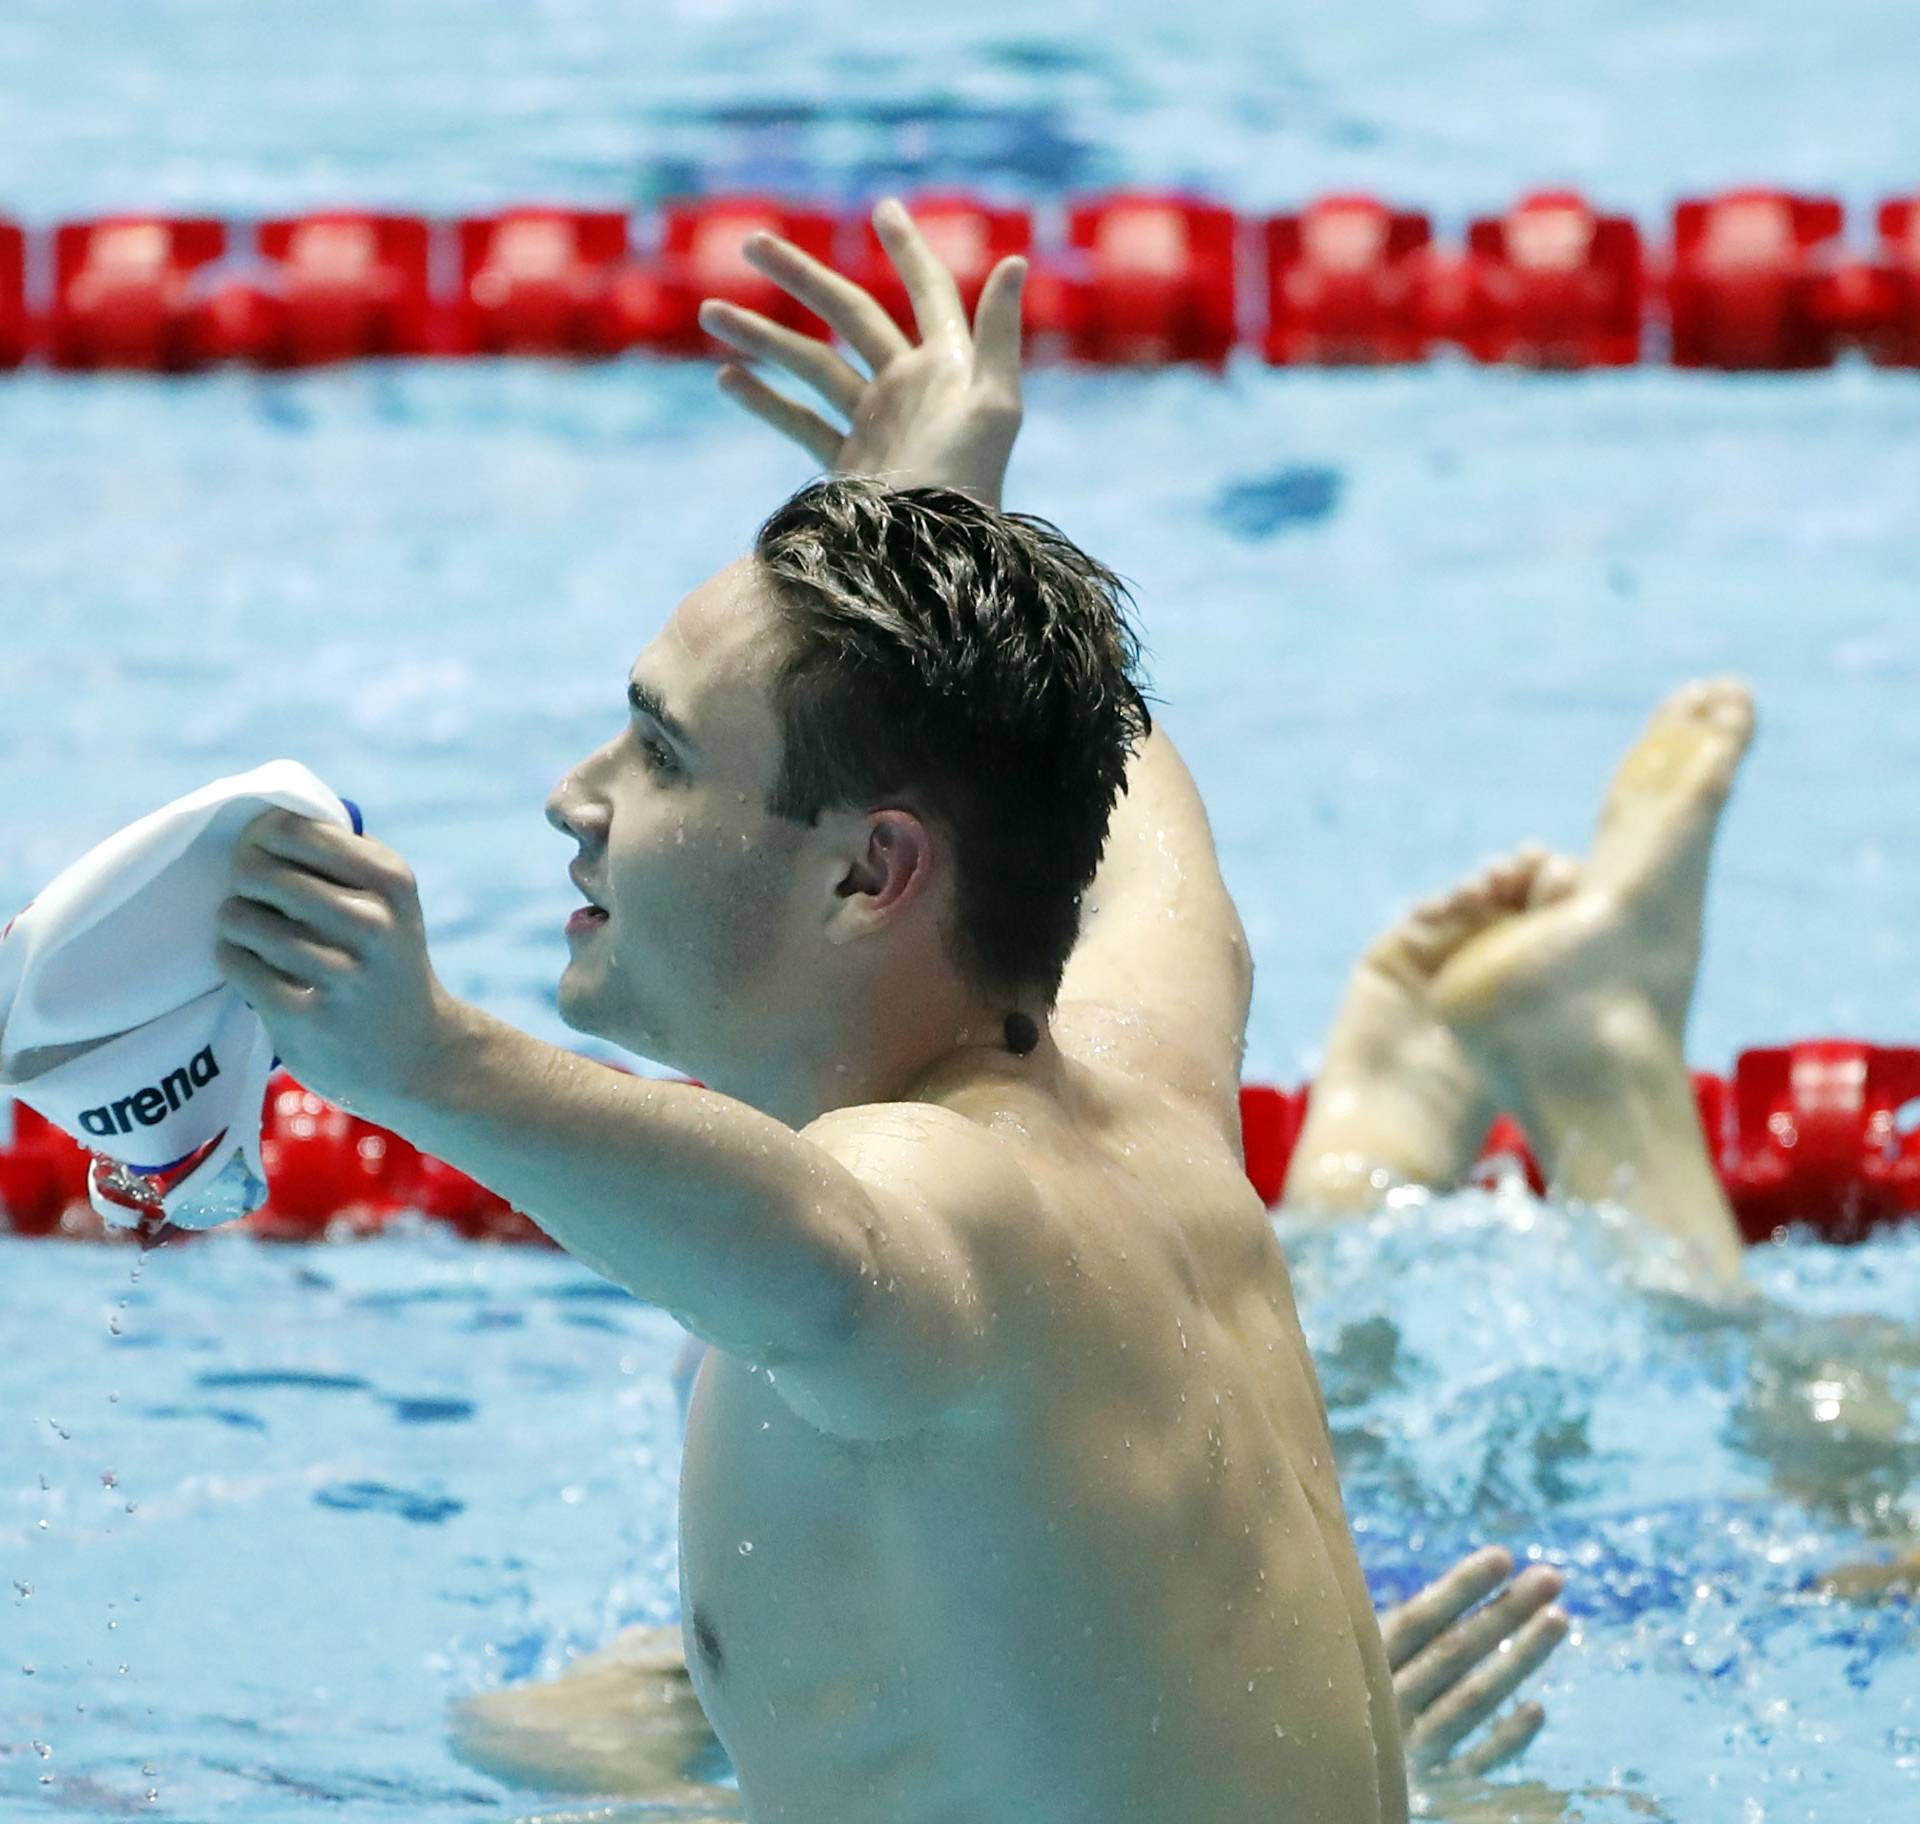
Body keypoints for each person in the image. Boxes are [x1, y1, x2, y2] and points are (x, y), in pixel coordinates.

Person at [211, 202, 1565, 1823]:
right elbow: (1074, 763)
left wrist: (429, 1064)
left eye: (657, 752)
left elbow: (832, 1253)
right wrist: (918, 523)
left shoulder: (943, 1196)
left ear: (870, 876)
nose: (575, 799)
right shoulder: (1144, 1068)